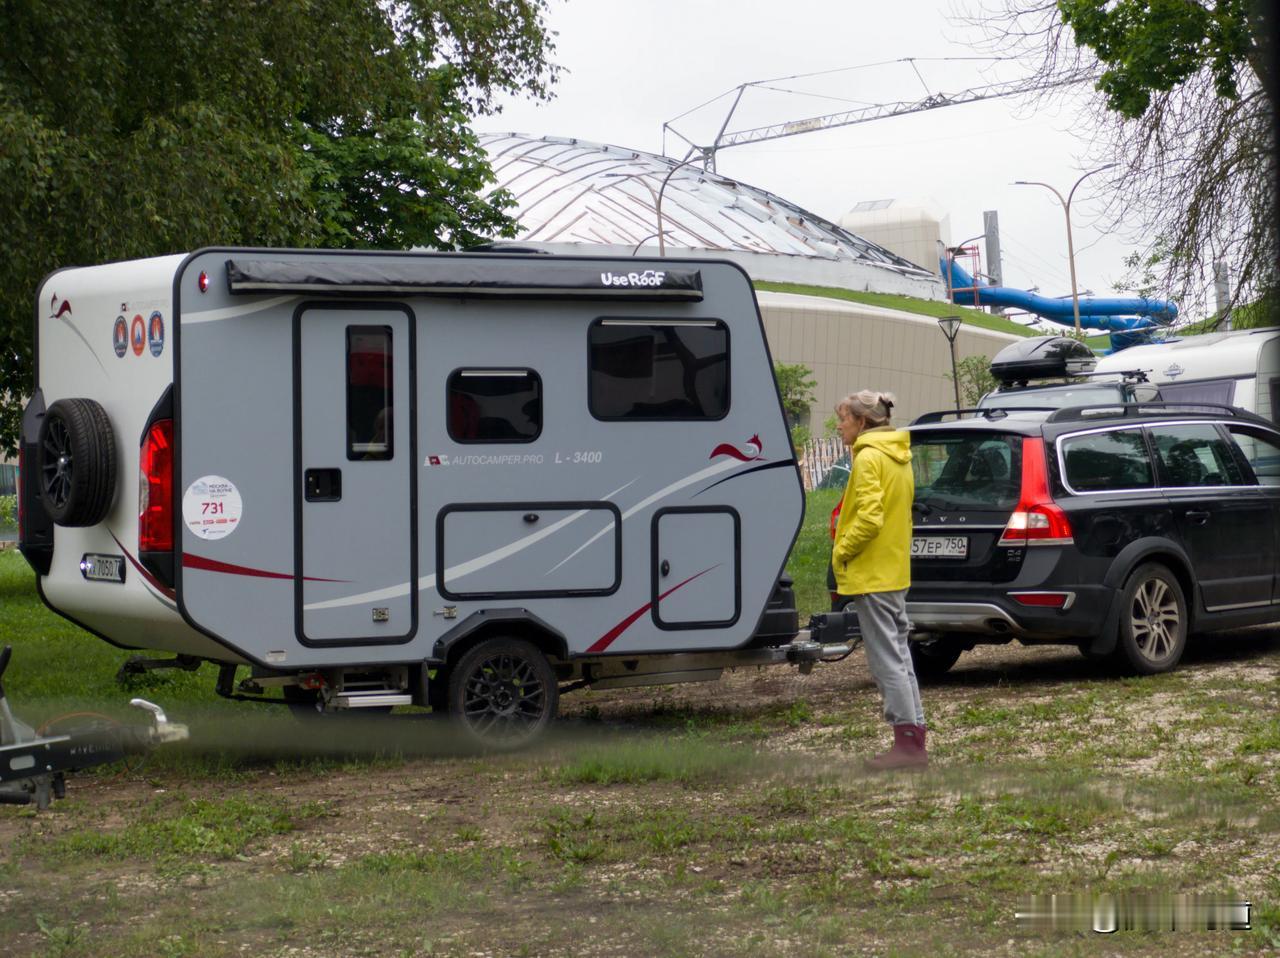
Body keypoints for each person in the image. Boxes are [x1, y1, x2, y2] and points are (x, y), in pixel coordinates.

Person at [831, 390, 926, 770]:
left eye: (843, 419)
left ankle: (907, 746)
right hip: (893, 569)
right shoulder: (897, 455)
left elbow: (870, 518)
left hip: (872, 573)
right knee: (900, 655)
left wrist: (841, 551)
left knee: (887, 659)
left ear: (862, 422)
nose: (839, 426)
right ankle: (913, 737)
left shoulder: (869, 457)